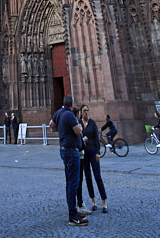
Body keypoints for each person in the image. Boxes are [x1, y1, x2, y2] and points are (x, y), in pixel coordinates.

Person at [49, 95, 88, 226]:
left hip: (63, 148)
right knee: (73, 182)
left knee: (70, 182)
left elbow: (51, 124)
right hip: (71, 151)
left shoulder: (59, 113)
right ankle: (73, 215)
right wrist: (80, 127)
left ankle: (74, 211)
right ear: (72, 104)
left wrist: (61, 129)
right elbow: (77, 131)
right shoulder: (70, 115)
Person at [80, 104, 108, 213]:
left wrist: (98, 153)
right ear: (81, 112)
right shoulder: (79, 123)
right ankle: (93, 202)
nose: (86, 112)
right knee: (88, 178)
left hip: (93, 152)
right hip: (84, 154)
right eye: (84, 110)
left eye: (87, 110)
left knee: (97, 176)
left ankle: (104, 201)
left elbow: (97, 138)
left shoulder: (93, 123)